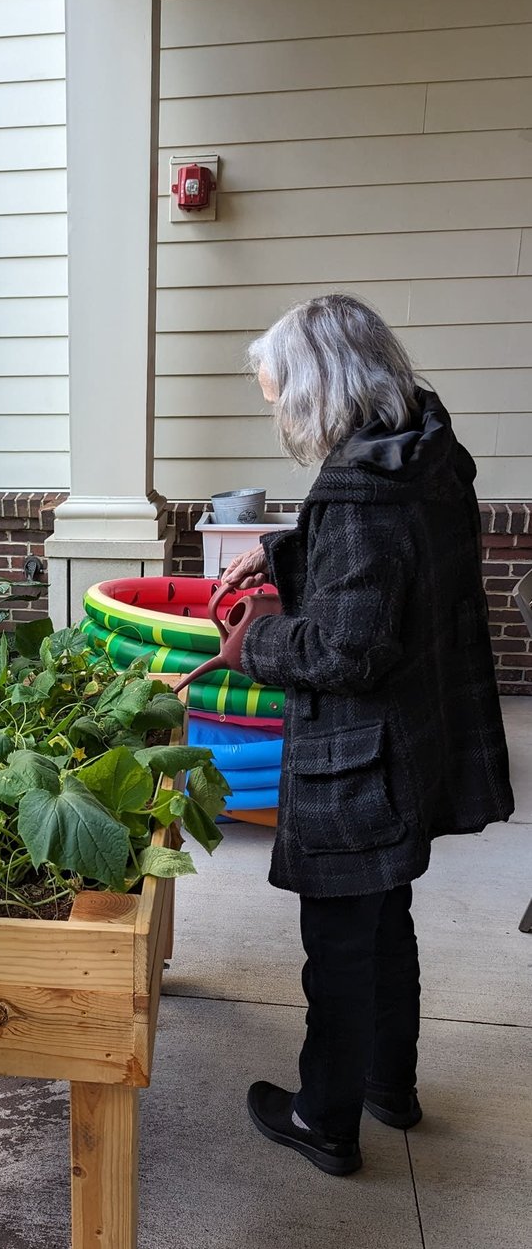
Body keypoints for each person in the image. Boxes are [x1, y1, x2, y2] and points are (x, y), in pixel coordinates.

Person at [217, 293, 513, 1176]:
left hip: (358, 760)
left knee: (340, 945)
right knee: (388, 921)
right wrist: (279, 550)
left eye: (278, 397)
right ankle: (393, 1086)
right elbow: (383, 564)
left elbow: (349, 644)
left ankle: (324, 1118)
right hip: (409, 747)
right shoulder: (425, 449)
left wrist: (254, 644)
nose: (278, 414)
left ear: (316, 390)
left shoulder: (358, 489)